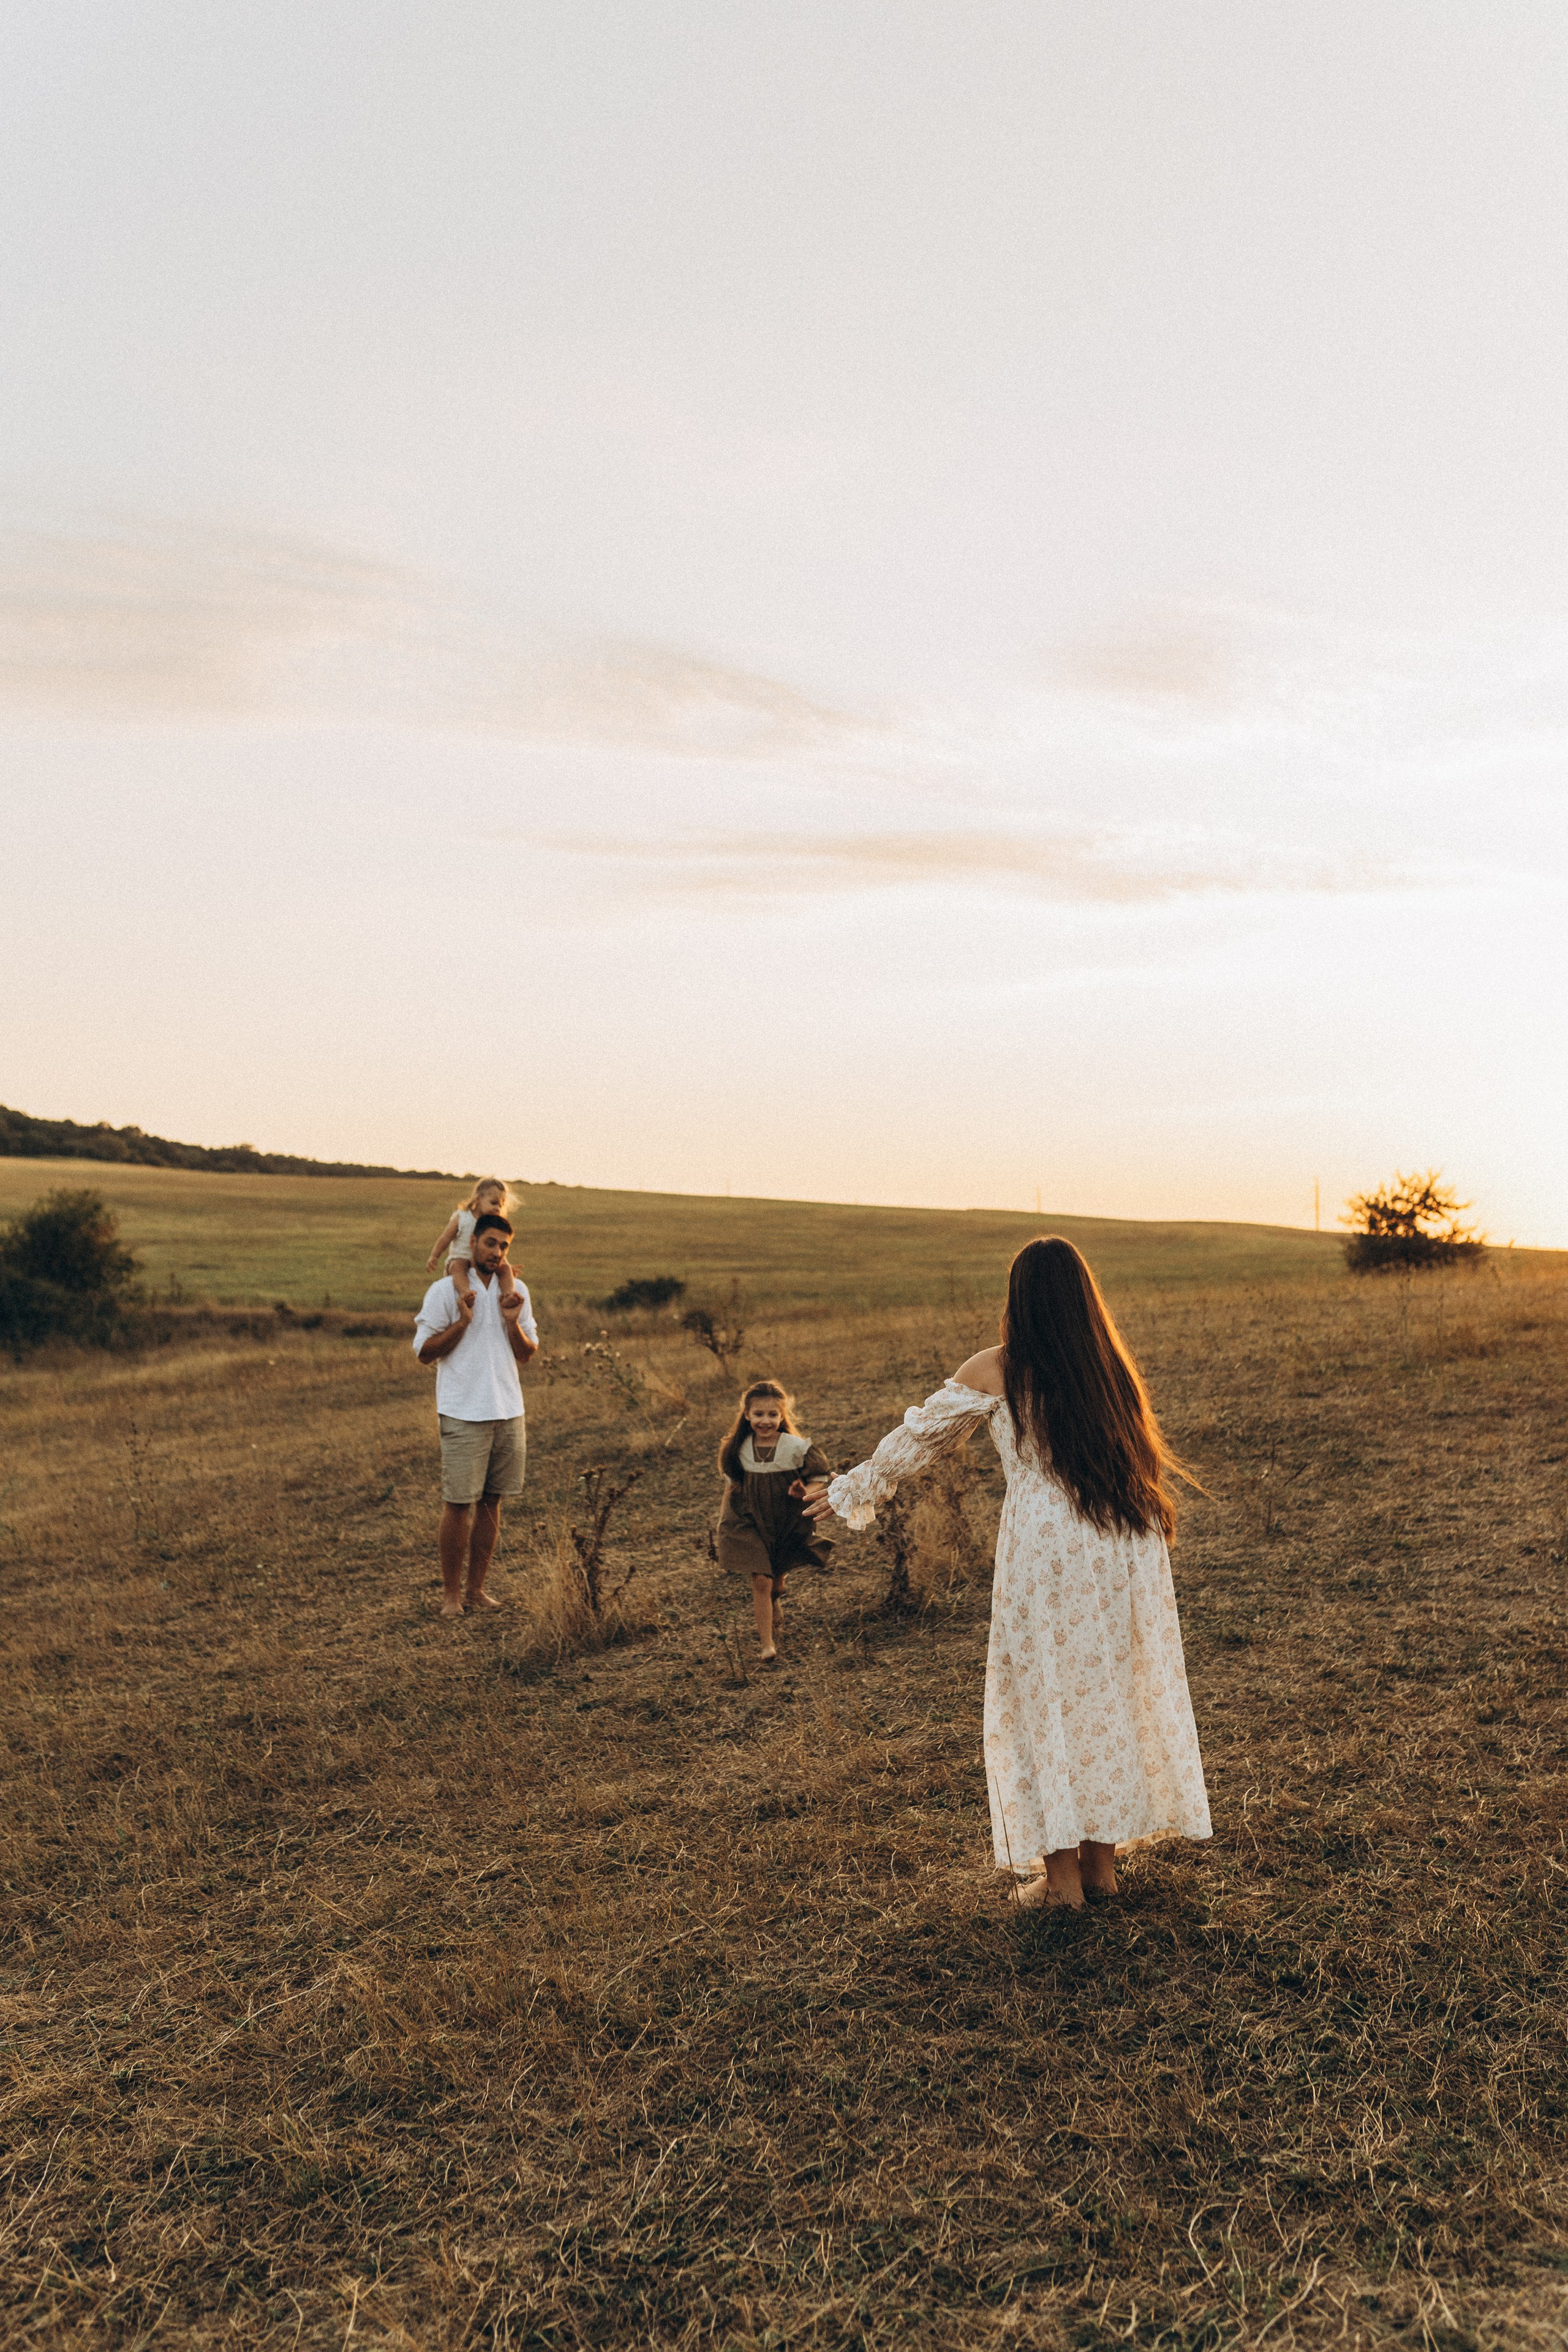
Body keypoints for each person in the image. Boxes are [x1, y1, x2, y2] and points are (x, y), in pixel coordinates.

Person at [802, 1237, 1211, 1909]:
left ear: (1018, 1297)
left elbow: (920, 1440)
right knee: (1103, 1692)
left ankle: (1061, 1882)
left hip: (1049, 1551)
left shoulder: (1000, 1368)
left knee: (1041, 1697)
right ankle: (1100, 1868)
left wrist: (853, 1485)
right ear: (1084, 1295)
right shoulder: (1106, 1364)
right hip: (1120, 1539)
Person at [412, 1212, 538, 1619]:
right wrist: (463, 1323)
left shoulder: (516, 1291)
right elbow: (424, 1353)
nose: (497, 1252)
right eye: (490, 1243)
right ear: (472, 1243)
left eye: (504, 1246)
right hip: (463, 1411)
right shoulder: (444, 1291)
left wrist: (513, 1322)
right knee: (458, 1504)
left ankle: (477, 1590)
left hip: (508, 1410)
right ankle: (450, 1597)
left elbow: (527, 1353)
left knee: (492, 1502)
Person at [715, 1380, 834, 1665]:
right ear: (747, 1415)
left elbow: (820, 1477)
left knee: (776, 1579)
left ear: (782, 1417)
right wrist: (723, 1524)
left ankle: (776, 1597)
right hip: (748, 1519)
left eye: (773, 1415)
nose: (765, 1421)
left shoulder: (795, 1447)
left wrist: (804, 1493)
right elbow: (732, 1485)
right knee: (761, 1579)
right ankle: (767, 1644)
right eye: (758, 1415)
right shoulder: (738, 1448)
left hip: (786, 1518)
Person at [426, 1178, 519, 1310]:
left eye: (501, 1205)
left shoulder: (493, 1224)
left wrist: (507, 1266)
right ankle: (466, 1294)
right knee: (459, 1267)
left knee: (505, 1270)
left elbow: (497, 1248)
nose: (497, 1208)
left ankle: (509, 1295)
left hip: (485, 1261)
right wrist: (434, 1256)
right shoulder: (463, 1217)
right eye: (494, 1203)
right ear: (479, 1198)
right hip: (461, 1258)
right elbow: (446, 1237)